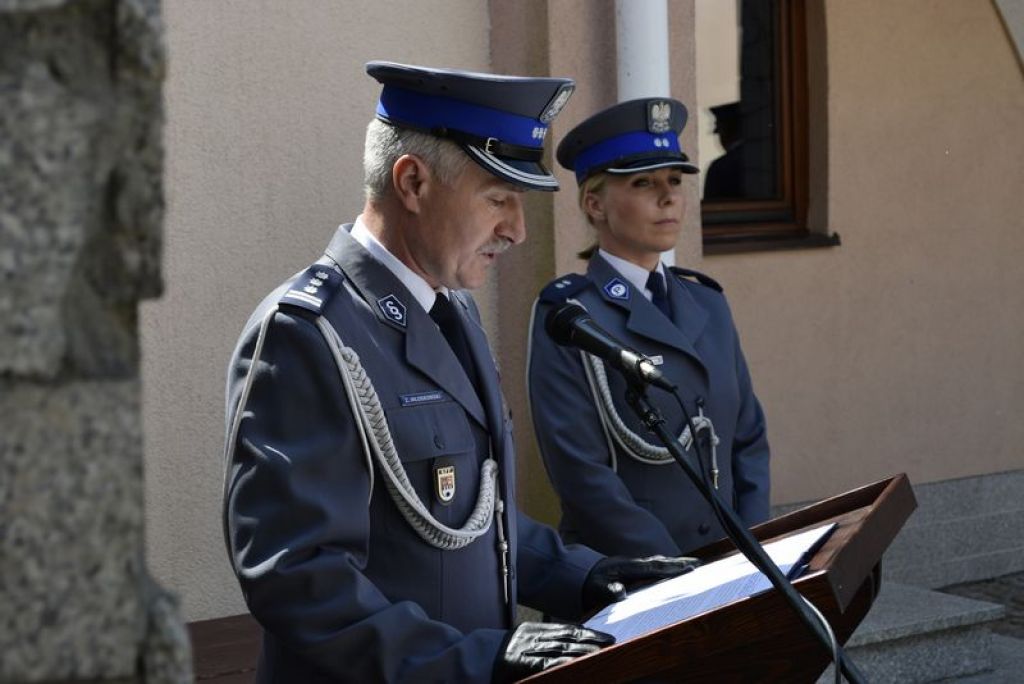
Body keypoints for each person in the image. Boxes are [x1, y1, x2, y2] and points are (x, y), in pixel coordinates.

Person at [222, 63, 699, 683]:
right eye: (499, 199)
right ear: (413, 182)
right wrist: (474, 660)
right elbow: (298, 577)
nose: (517, 230)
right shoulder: (308, 333)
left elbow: (470, 518)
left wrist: (582, 575)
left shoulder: (454, 313)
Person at [527, 97, 771, 560]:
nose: (668, 197)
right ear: (595, 204)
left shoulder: (708, 302)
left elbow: (748, 439)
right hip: (637, 572)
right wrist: (680, 574)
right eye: (643, 183)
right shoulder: (570, 315)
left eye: (674, 180)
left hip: (732, 563)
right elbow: (581, 474)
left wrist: (753, 548)